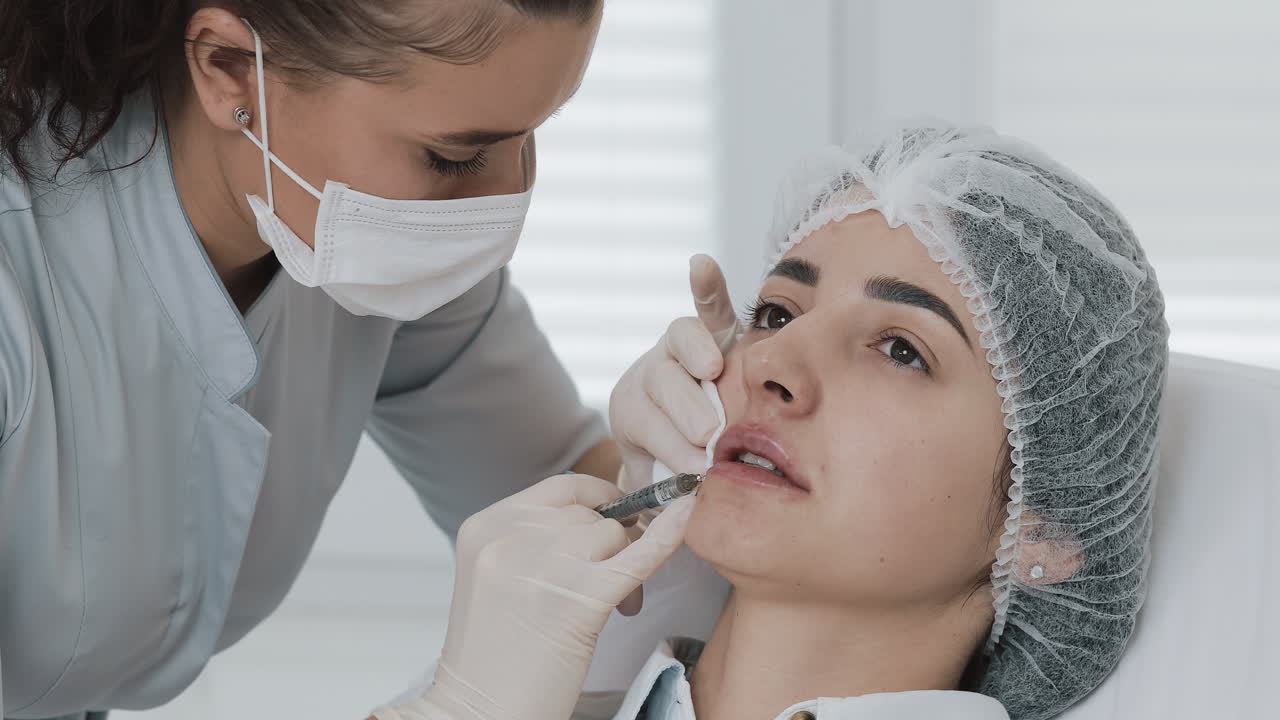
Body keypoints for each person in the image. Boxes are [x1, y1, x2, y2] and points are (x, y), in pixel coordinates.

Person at [0, 1, 704, 717]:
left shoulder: (381, 253)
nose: (508, 197)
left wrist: (684, 458)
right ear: (230, 69)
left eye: (532, 137)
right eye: (454, 157)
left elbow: (573, 491)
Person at [417, 123, 1167, 720]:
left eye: (901, 350)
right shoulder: (517, 691)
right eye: (775, 313)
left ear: (1046, 525)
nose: (770, 363)